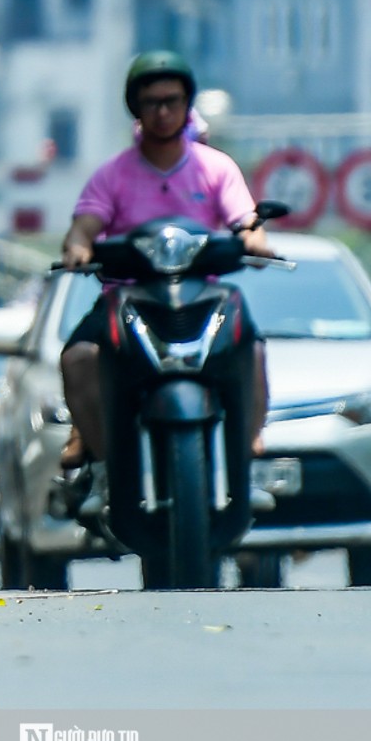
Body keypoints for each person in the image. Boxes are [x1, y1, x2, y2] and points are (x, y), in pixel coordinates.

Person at [58, 52, 273, 503]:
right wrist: (78, 246)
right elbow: (84, 226)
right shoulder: (112, 175)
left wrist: (255, 240)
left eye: (172, 101)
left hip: (203, 297)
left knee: (249, 347)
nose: (162, 112)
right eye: (151, 102)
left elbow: (245, 219)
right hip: (129, 298)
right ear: (135, 108)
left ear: (187, 105)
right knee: (78, 358)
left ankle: (247, 452)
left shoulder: (215, 167)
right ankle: (103, 468)